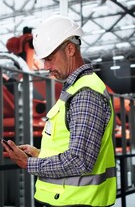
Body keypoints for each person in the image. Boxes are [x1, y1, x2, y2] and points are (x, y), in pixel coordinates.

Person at [1, 15, 116, 207]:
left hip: (77, 202)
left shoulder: (85, 94)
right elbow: (68, 146)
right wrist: (40, 154)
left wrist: (29, 164)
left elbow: (80, 161)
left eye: (50, 59)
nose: (46, 67)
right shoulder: (74, 90)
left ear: (70, 49)